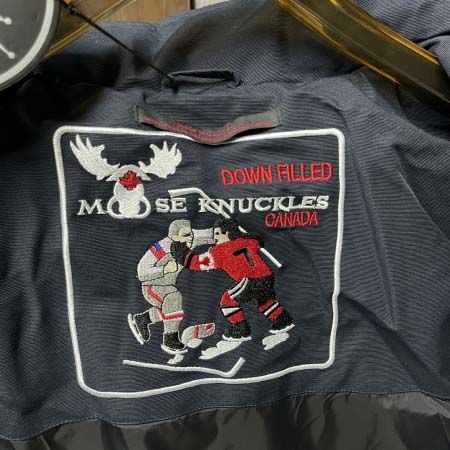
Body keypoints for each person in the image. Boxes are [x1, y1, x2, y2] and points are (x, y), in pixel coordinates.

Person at [172, 218, 294, 341]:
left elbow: (196, 263)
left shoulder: (220, 250)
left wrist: (180, 252)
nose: (215, 237)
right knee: (265, 301)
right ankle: (282, 320)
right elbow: (257, 241)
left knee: (228, 301)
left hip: (251, 279)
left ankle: (240, 329)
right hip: (267, 277)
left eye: (218, 233)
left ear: (228, 233)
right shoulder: (247, 242)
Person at [128, 219, 196, 355]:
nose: (191, 238)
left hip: (169, 285)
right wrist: (164, 269)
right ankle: (170, 338)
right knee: (173, 298)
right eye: (186, 235)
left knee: (170, 307)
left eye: (191, 234)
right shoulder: (162, 248)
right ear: (173, 236)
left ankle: (143, 319)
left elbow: (209, 234)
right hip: (153, 286)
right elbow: (142, 270)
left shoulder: (189, 241)